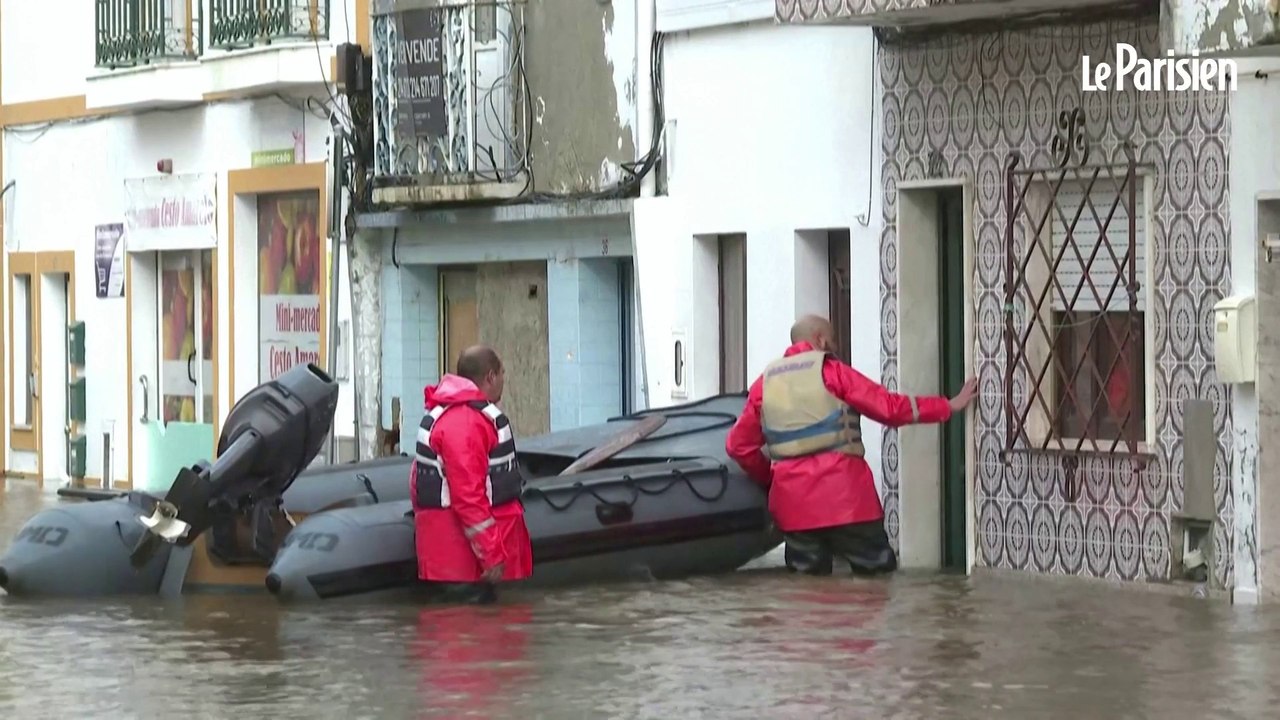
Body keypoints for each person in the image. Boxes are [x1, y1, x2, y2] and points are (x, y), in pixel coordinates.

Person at [725, 314, 978, 576]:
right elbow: (889, 409)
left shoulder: (763, 386)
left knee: (805, 597)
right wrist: (947, 405)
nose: (834, 347)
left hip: (794, 508)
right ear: (821, 340)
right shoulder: (833, 373)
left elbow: (737, 446)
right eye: (832, 340)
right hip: (848, 502)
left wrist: (770, 478)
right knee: (876, 580)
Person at [410, 345, 533, 603]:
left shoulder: (446, 415)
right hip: (466, 565)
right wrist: (491, 554)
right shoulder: (466, 421)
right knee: (474, 636)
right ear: (490, 377)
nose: (503, 382)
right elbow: (468, 496)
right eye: (501, 375)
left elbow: (417, 486)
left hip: (453, 560)